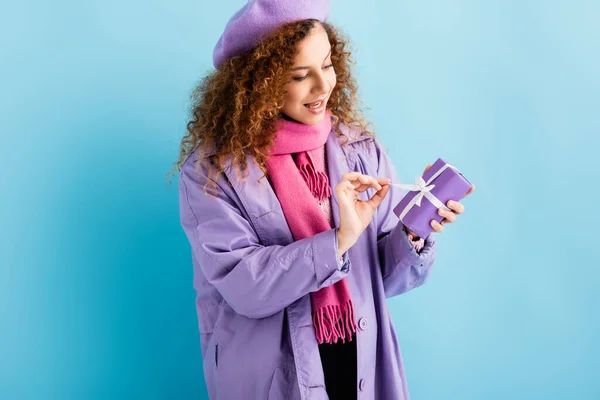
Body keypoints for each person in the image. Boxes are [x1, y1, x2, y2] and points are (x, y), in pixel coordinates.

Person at [175, 1, 475, 399]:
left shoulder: (360, 148)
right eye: (301, 75)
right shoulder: (212, 171)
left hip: (358, 360)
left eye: (328, 64)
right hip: (269, 375)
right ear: (257, 82)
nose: (323, 86)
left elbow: (381, 278)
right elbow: (244, 283)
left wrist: (414, 232)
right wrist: (338, 240)